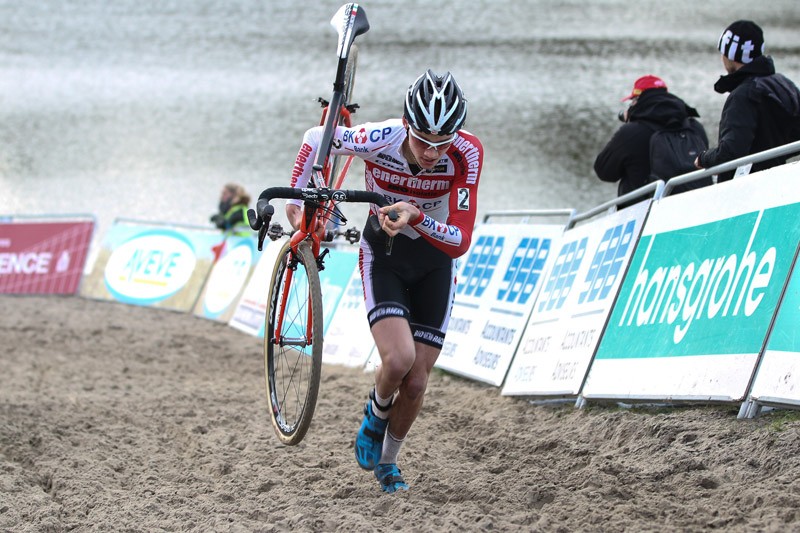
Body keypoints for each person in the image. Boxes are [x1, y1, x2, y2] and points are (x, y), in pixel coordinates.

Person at [286, 70, 483, 493]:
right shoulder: (381, 137)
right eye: (423, 140)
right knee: (398, 361)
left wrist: (417, 215)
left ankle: (389, 463)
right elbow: (314, 137)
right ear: (406, 125)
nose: (433, 153)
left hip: (436, 260)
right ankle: (376, 412)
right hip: (384, 256)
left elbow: (462, 239)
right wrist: (293, 198)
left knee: (415, 381)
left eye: (442, 142)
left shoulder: (467, 152)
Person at [694, 20, 800, 181]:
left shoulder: (743, 95)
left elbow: (731, 151)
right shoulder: (783, 84)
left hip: (746, 189)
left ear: (730, 55)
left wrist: (703, 158)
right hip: (777, 181)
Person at [594, 75, 711, 208]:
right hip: (691, 208)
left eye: (632, 101)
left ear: (638, 100)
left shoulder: (631, 132)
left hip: (642, 215)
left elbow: (604, 171)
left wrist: (631, 122)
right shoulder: (695, 127)